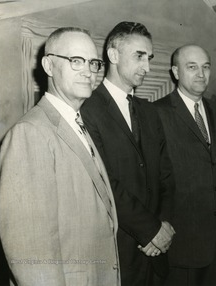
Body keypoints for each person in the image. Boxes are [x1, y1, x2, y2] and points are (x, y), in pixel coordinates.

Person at [0, 27, 120, 285]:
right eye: (76, 61)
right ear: (49, 65)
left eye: (93, 62)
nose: (88, 71)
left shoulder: (76, 124)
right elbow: (31, 254)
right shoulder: (30, 134)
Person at [81, 21, 175, 286]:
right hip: (118, 254)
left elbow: (167, 176)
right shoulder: (88, 109)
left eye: (150, 58)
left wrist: (164, 227)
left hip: (157, 256)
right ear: (113, 55)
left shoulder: (149, 111)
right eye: (139, 56)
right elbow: (104, 182)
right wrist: (151, 231)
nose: (147, 66)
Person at [154, 44, 216, 286]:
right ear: (175, 72)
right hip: (178, 247)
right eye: (192, 67)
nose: (201, 74)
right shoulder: (156, 114)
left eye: (205, 67)